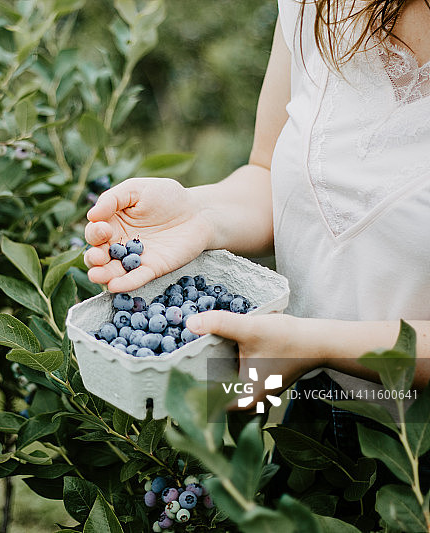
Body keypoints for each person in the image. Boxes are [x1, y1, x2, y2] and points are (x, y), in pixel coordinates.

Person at [83, 0, 430, 517]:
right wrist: (197, 214)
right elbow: (269, 173)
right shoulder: (316, 6)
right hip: (312, 422)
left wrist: (313, 344)